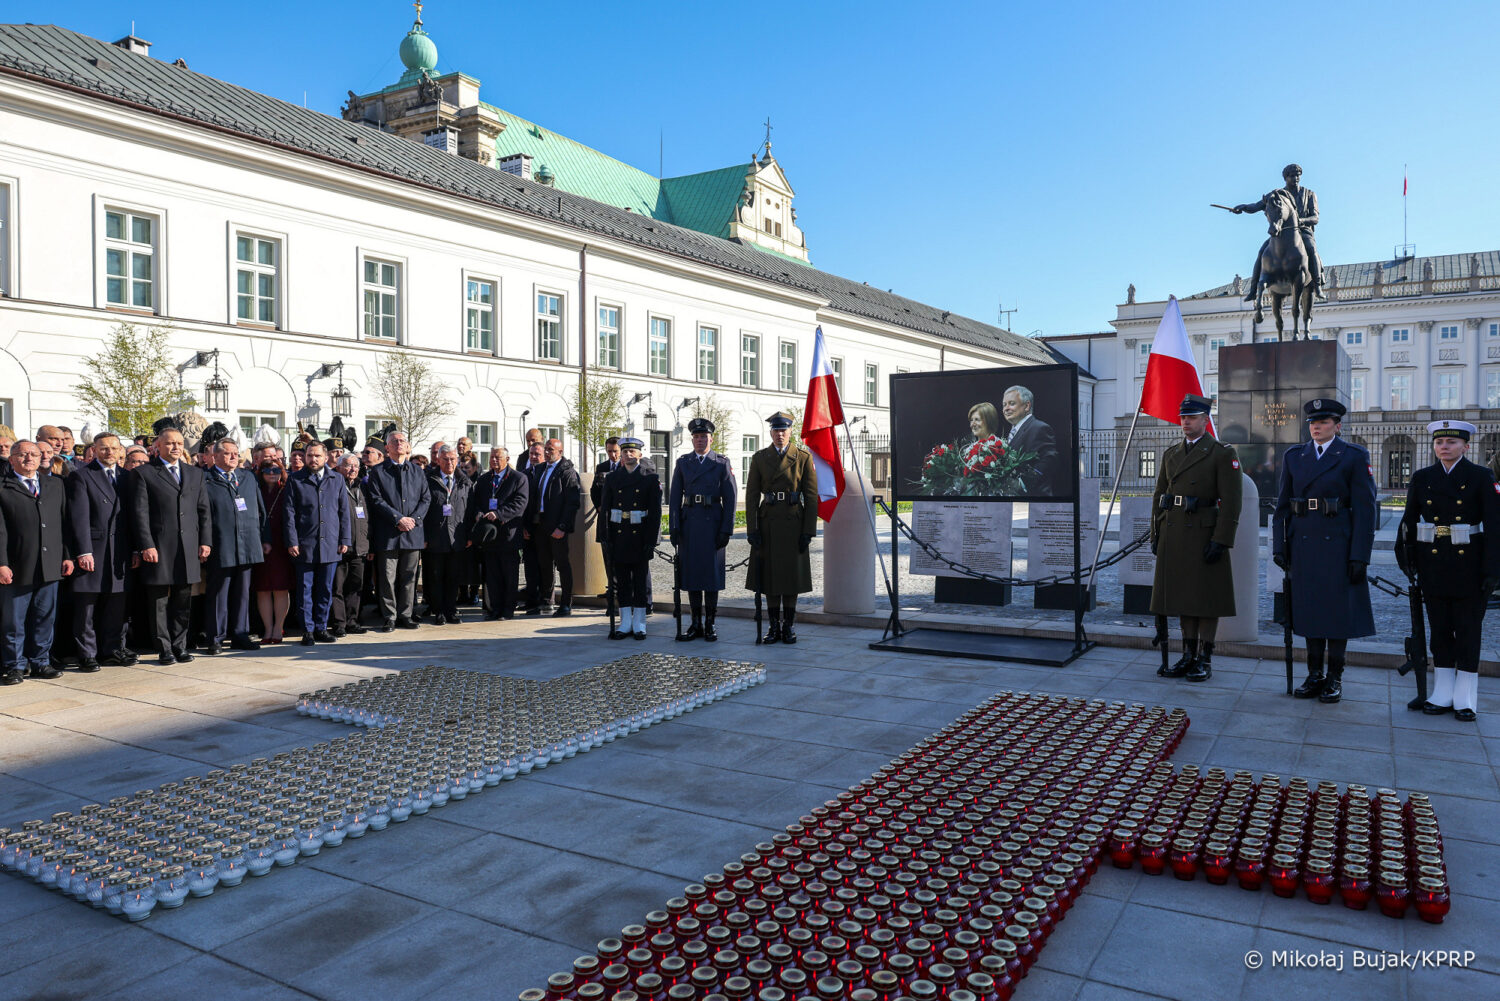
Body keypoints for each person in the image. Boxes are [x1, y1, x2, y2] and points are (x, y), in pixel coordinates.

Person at [1272, 399, 1377, 703]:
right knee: (1309, 611)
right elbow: (1282, 507)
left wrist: (1360, 555)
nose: (1316, 427)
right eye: (1312, 422)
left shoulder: (1353, 455)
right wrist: (1280, 546)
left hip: (1339, 545)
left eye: (1324, 422)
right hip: (1303, 542)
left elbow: (1365, 509)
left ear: (1338, 425)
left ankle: (1334, 677)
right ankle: (1314, 674)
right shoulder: (1294, 456)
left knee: (1337, 613)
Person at [1400, 421, 1500, 722]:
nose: (1444, 446)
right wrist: (1408, 562)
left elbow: (1495, 527)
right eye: (1439, 441)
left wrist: (1493, 570)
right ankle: (1441, 692)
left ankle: (1465, 696)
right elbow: (1408, 523)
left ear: (1466, 446)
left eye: (1452, 442)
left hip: (1469, 563)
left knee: (1468, 631)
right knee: (1439, 631)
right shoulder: (1423, 477)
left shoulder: (1481, 477)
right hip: (1433, 563)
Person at [1149, 394, 1243, 683]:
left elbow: (1232, 502)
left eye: (1192, 417)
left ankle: (1205, 657)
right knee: (1182, 598)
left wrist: (1222, 539)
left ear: (1206, 420)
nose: (1186, 422)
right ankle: (1188, 654)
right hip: (1175, 533)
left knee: (1205, 599)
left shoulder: (1221, 453)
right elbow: (1159, 496)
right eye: (1183, 417)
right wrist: (1156, 533)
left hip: (1204, 534)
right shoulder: (1170, 454)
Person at [127, 427, 212, 665]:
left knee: (183, 600)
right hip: (159, 547)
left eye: (179, 443)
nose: (176, 447)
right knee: (159, 601)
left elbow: (203, 511)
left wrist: (205, 541)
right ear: (157, 447)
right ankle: (163, 648)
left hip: (188, 546)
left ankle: (180, 645)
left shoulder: (194, 474)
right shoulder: (144, 473)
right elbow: (139, 513)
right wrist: (146, 545)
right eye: (170, 443)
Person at [0, 440, 74, 683]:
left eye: (33, 454)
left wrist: (66, 555)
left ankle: (40, 661)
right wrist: (2, 563)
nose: (29, 459)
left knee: (44, 617)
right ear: (12, 460)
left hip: (50, 563)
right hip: (17, 565)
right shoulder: (3, 487)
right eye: (22, 455)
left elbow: (63, 525)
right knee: (14, 621)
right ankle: (15, 665)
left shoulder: (54, 485)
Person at [746, 411, 818, 644]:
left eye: (784, 430)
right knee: (770, 578)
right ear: (770, 432)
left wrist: (808, 530)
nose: (780, 434)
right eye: (776, 430)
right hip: (768, 522)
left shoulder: (803, 458)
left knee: (791, 578)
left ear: (790, 432)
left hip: (793, 523)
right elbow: (751, 496)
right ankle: (773, 626)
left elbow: (811, 496)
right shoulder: (759, 458)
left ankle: (788, 626)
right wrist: (752, 529)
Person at [66, 431, 134, 670]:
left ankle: (112, 649)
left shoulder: (127, 477)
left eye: (114, 448)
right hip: (94, 549)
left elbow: (133, 518)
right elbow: (79, 517)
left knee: (116, 604)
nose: (110, 453)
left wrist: (135, 550)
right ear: (94, 450)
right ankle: (87, 653)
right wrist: (83, 551)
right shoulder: (81, 476)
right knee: (87, 605)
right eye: (104, 448)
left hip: (120, 551)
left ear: (120, 451)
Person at [670, 419, 736, 641]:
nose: (700, 440)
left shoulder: (721, 463)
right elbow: (674, 497)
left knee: (711, 576)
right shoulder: (683, 463)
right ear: (692, 439)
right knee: (691, 575)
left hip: (712, 525)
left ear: (711, 439)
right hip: (690, 525)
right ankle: (695, 622)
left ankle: (710, 623)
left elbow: (731, 498)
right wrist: (675, 527)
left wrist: (726, 530)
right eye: (697, 437)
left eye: (704, 437)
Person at [201, 437, 266, 654]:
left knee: (243, 593)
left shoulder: (247, 477)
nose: (233, 457)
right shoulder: (205, 479)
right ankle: (216, 637)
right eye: (228, 453)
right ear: (215, 456)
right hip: (222, 544)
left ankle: (240, 634)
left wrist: (263, 539)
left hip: (247, 543)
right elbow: (202, 516)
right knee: (219, 593)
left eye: (236, 453)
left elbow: (260, 510)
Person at [282, 441, 351, 646]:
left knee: (326, 589)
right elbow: (289, 514)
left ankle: (321, 627)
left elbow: (343, 512)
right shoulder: (295, 479)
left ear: (326, 457)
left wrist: (345, 539)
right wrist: (292, 541)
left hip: (330, 543)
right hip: (305, 545)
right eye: (310, 455)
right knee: (305, 591)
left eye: (317, 456)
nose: (313, 460)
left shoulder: (336, 479)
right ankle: (308, 630)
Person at [364, 431, 430, 631]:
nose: (399, 444)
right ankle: (390, 616)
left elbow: (425, 498)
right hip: (388, 534)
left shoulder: (417, 471)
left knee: (409, 577)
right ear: (387, 448)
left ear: (408, 446)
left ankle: (406, 615)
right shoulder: (378, 472)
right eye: (394, 441)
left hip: (412, 533)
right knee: (387, 578)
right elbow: (376, 500)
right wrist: (398, 518)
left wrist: (413, 520)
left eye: (402, 441)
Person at [1233, 163, 1324, 300]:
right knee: (1261, 253)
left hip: (1303, 231)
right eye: (1292, 176)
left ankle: (1317, 286)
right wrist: (1243, 207)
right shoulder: (1277, 196)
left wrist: (1301, 221)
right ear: (1285, 178)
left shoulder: (1310, 194)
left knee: (1311, 249)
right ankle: (1253, 290)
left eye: (1298, 175)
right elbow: (1257, 206)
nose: (1295, 178)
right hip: (1280, 232)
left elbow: (1315, 218)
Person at [601, 437, 661, 639]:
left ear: (640, 455)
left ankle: (640, 623)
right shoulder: (612, 478)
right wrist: (605, 537)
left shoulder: (649, 479)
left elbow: (655, 513)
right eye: (624, 451)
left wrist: (651, 541)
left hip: (640, 535)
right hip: (619, 535)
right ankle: (625, 623)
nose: (628, 455)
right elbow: (605, 510)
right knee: (622, 582)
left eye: (632, 452)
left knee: (640, 582)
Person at [467, 447, 529, 620]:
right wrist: (479, 512)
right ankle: (494, 608)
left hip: (508, 535)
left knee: (509, 576)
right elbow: (476, 501)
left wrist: (500, 514)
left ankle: (508, 609)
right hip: (489, 536)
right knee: (492, 576)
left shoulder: (519, 478)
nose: (494, 460)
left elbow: (520, 503)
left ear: (507, 458)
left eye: (498, 457)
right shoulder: (485, 479)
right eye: (492, 457)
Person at [527, 438, 581, 617]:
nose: (548, 452)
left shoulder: (567, 472)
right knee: (544, 564)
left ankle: (566, 603)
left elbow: (572, 503)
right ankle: (546, 601)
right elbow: (534, 498)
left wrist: (563, 526)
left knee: (563, 565)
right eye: (547, 449)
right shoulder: (541, 469)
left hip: (557, 526)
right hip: (540, 524)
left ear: (560, 451)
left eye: (551, 449)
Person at [422, 444, 471, 624]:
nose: (449, 462)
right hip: (436, 538)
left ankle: (451, 610)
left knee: (453, 577)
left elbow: (470, 510)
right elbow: (423, 510)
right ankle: (439, 611)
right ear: (438, 460)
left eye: (452, 459)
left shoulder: (464, 481)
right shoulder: (428, 480)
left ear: (457, 460)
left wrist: (469, 536)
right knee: (436, 577)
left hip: (457, 538)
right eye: (445, 459)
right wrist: (425, 536)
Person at [252, 459, 294, 644]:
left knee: (280, 588)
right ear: (261, 472)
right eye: (267, 470)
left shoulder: (286, 488)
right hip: (259, 541)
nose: (271, 473)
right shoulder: (255, 489)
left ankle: (278, 627)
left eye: (276, 469)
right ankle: (267, 628)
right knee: (262, 588)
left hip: (281, 542)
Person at [332, 454, 371, 636]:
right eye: (348, 466)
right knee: (337, 587)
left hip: (360, 546)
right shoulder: (333, 485)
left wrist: (369, 544)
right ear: (339, 467)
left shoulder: (362, 487)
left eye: (356, 466)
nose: (353, 469)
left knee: (356, 585)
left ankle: (352, 620)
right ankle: (339, 623)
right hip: (340, 546)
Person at [1000, 386, 1060, 497]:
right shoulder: (1012, 431)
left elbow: (1048, 460)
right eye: (1004, 405)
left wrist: (1021, 484)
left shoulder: (1039, 428)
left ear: (1027, 406)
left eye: (1011, 403)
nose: (1006, 408)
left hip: (1034, 499)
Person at [591, 437, 622, 615]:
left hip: (622, 521)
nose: (613, 455)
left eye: (615, 451)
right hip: (606, 521)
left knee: (622, 563)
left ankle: (623, 600)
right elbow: (595, 490)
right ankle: (612, 603)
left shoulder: (626, 466)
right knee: (608, 562)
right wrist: (599, 506)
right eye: (609, 451)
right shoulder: (602, 468)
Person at [518, 438, 547, 611]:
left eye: (538, 454)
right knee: (530, 566)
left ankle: (544, 599)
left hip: (543, 527)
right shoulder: (525, 474)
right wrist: (523, 526)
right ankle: (531, 599)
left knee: (543, 565)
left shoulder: (547, 473)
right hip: (528, 527)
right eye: (531, 454)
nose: (534, 457)